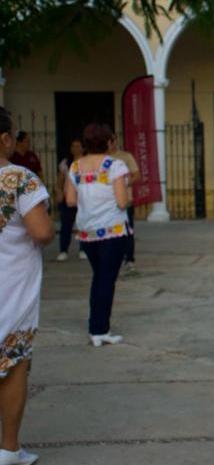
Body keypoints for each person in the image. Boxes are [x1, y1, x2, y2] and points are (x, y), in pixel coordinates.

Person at [0, 106, 54, 465]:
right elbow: (42, 232)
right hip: (9, 288)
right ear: (5, 138)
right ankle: (8, 448)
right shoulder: (19, 178)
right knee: (13, 364)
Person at [65, 123, 131, 347]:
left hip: (87, 232)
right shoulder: (115, 165)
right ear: (109, 142)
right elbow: (122, 201)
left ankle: (98, 326)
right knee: (106, 280)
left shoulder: (75, 167)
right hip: (113, 231)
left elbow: (70, 200)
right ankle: (99, 329)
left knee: (99, 278)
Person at [109, 132, 140, 272]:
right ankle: (115, 256)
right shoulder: (100, 158)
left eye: (111, 140)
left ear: (115, 141)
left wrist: (124, 183)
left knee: (127, 230)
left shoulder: (125, 157)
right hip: (107, 202)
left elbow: (136, 175)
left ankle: (129, 258)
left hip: (124, 199)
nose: (109, 143)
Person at [56, 139, 86, 261]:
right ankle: (63, 251)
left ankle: (83, 249)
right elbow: (60, 181)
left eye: (78, 146)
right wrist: (58, 193)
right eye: (73, 146)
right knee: (66, 226)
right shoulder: (66, 163)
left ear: (83, 148)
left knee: (83, 225)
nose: (75, 148)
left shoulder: (87, 162)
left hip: (83, 198)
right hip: (68, 198)